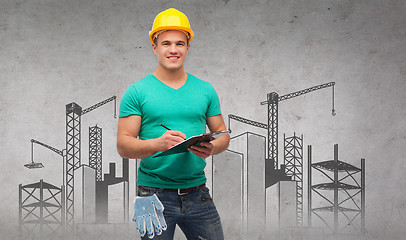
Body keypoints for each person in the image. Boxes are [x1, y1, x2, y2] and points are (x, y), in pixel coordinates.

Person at [117, 8, 230, 240]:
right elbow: (124, 145)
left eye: (180, 43)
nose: (173, 50)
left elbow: (222, 133)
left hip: (198, 194)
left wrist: (213, 147)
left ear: (188, 47)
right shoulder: (137, 91)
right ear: (154, 46)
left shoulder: (205, 89)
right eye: (166, 43)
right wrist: (158, 144)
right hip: (153, 195)